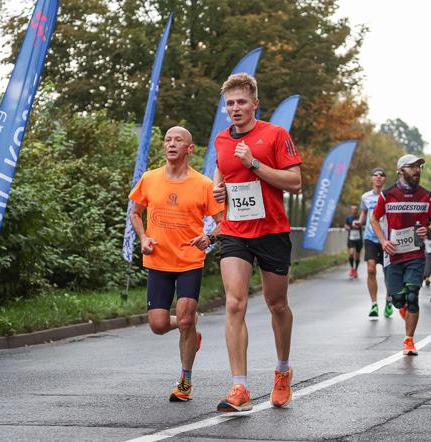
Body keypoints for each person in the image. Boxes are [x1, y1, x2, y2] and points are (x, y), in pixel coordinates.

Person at [211, 73, 302, 412]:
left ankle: (282, 371)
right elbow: (222, 176)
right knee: (234, 303)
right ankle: (240, 388)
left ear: (254, 104)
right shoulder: (222, 140)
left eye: (241, 102)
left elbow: (295, 182)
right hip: (235, 230)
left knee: (276, 304)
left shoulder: (275, 135)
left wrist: (255, 164)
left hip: (272, 231)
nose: (235, 108)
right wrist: (217, 191)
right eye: (230, 103)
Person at [129, 126, 224, 402]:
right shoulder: (149, 179)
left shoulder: (203, 184)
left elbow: (223, 222)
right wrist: (143, 236)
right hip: (158, 259)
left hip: (189, 261)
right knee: (158, 325)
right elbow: (135, 211)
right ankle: (191, 331)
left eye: (178, 140)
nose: (171, 144)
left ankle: (185, 382)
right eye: (168, 140)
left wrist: (209, 238)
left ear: (189, 149)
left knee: (185, 318)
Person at [371, 154, 431, 356]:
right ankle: (401, 307)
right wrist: (383, 241)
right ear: (400, 170)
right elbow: (375, 220)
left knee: (413, 295)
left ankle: (409, 340)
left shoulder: (428, 196)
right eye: (412, 167)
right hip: (393, 256)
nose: (417, 170)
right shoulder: (387, 195)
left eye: (419, 167)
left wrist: (429, 230)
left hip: (416, 254)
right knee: (398, 299)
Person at [353, 167, 393, 318]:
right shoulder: (366, 197)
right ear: (371, 179)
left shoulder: (389, 196)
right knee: (371, 269)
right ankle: (374, 304)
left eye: (381, 175)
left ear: (384, 179)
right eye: (375, 175)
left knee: (388, 273)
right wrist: (359, 221)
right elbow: (364, 212)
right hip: (370, 237)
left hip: (387, 239)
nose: (378, 177)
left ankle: (389, 300)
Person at [344, 204, 362, 279]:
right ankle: (352, 268)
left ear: (357, 210)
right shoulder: (348, 218)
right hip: (351, 238)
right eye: (353, 209)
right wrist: (348, 227)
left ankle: (356, 270)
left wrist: (360, 226)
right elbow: (345, 225)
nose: (354, 210)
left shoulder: (360, 218)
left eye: (355, 209)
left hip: (358, 239)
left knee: (357, 256)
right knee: (351, 253)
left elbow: (364, 225)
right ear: (351, 210)